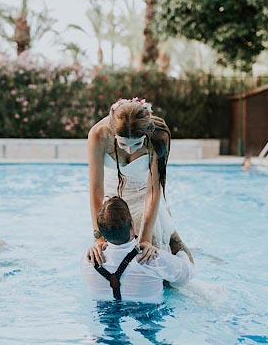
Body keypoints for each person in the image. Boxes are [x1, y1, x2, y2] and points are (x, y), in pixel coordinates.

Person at [86, 97, 192, 265]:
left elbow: (154, 189)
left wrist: (146, 239)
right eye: (122, 144)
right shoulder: (98, 135)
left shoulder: (158, 136)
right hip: (113, 198)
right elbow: (96, 189)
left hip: (145, 195)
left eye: (136, 144)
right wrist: (98, 238)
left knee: (166, 256)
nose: (129, 149)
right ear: (113, 132)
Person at [81, 196, 194, 304]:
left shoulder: (88, 261)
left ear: (100, 232)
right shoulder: (153, 258)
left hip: (105, 315)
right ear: (132, 225)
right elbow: (187, 275)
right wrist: (173, 237)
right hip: (148, 316)